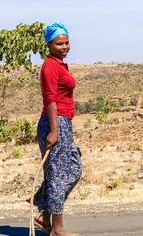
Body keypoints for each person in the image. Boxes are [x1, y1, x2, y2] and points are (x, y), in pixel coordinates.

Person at [33, 23, 82, 236]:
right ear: (49, 44)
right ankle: (57, 229)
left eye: (67, 42)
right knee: (57, 175)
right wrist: (54, 131)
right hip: (55, 123)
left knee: (73, 168)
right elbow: (50, 99)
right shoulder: (50, 66)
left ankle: (44, 212)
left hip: (63, 122)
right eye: (59, 43)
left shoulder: (60, 65)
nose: (64, 46)